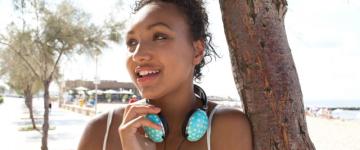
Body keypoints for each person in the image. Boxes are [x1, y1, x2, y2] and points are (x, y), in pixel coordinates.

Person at [78, 0, 252, 149]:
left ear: (197, 51)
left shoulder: (227, 128)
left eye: (160, 36)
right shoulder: (100, 131)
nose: (138, 55)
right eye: (132, 42)